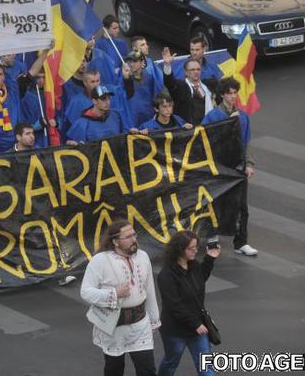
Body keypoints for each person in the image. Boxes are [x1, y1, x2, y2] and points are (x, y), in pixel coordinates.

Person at [80, 219, 160, 376]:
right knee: (114, 370)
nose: (134, 239)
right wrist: (114, 293)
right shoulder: (100, 260)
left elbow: (149, 289)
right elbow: (86, 292)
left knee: (148, 370)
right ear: (115, 241)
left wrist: (154, 319)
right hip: (114, 328)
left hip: (140, 325)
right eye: (128, 237)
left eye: (134, 235)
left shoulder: (142, 256)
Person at [202, 77, 257, 257]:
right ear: (222, 95)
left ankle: (241, 242)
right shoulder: (212, 117)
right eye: (229, 93)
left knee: (242, 206)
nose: (233, 96)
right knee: (216, 204)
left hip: (238, 168)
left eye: (235, 93)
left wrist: (249, 163)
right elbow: (205, 143)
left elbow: (247, 142)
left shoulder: (243, 117)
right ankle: (212, 239)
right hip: (219, 168)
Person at [156, 230, 220, 376]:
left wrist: (210, 258)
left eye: (196, 247)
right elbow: (174, 305)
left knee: (206, 367)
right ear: (180, 250)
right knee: (171, 362)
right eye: (191, 248)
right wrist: (195, 324)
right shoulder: (166, 275)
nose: (196, 251)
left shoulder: (193, 265)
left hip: (198, 328)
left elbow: (200, 279)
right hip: (176, 330)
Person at [161, 48, 215, 126]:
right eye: (192, 70)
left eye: (198, 69)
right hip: (187, 128)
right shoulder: (180, 86)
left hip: (208, 126)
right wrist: (167, 65)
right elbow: (169, 83)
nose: (196, 72)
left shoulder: (208, 85)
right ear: (185, 72)